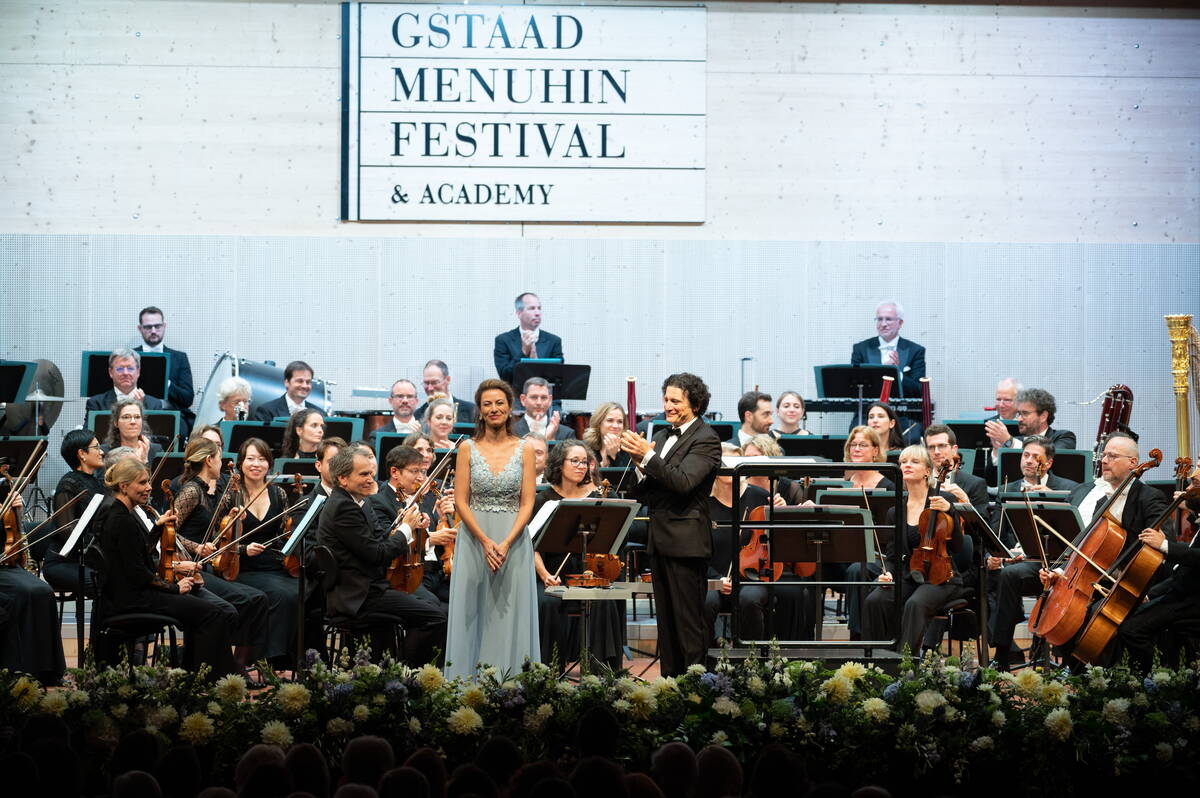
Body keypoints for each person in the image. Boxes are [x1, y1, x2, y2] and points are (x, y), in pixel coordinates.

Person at [620, 373, 722, 676]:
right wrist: (639, 464)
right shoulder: (663, 436)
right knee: (666, 626)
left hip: (686, 543)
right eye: (666, 399)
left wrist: (648, 456)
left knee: (688, 624)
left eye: (675, 400)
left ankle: (695, 687)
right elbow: (644, 492)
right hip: (660, 539)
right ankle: (669, 686)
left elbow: (683, 482)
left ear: (695, 404)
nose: (668, 406)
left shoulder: (706, 438)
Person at [97, 457, 236, 677]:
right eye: (142, 482)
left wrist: (156, 528)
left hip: (123, 595)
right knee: (213, 614)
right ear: (123, 486)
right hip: (133, 599)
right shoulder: (122, 521)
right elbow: (139, 573)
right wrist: (174, 588)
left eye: (148, 481)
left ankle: (193, 675)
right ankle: (208, 680)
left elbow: (136, 554)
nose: (149, 487)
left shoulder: (113, 512)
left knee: (207, 612)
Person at [318, 443, 448, 664]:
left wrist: (405, 526)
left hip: (373, 587)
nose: (371, 480)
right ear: (342, 479)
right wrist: (406, 528)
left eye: (371, 474)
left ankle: (398, 669)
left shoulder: (359, 501)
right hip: (359, 596)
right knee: (435, 617)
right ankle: (407, 673)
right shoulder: (342, 507)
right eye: (363, 474)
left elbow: (381, 537)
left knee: (434, 609)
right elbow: (378, 554)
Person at [446, 378, 540, 679]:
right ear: (480, 410)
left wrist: (507, 542)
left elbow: (527, 502)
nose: (494, 408)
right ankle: (466, 684)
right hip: (475, 539)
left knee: (510, 613)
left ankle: (511, 682)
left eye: (499, 403)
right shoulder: (467, 449)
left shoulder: (525, 449)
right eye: (487, 404)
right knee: (473, 613)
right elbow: (461, 501)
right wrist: (486, 542)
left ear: (510, 408)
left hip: (514, 539)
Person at [171, 437, 271, 676]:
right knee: (248, 600)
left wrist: (235, 516)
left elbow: (219, 532)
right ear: (209, 460)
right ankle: (221, 666)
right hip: (190, 568)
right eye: (219, 458)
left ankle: (237, 663)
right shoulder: (191, 491)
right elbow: (167, 531)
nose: (222, 463)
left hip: (208, 566)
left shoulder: (215, 493)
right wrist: (196, 547)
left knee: (258, 599)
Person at [862, 445, 968, 655]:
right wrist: (888, 572)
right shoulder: (895, 511)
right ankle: (877, 659)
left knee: (915, 604)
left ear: (928, 471)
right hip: (909, 575)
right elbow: (892, 556)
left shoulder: (944, 501)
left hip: (941, 578)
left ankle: (905, 663)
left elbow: (957, 546)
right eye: (903, 462)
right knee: (875, 600)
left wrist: (951, 512)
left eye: (914, 461)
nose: (907, 465)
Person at [532, 439, 623, 670]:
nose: (581, 466)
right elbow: (531, 546)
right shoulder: (543, 499)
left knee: (603, 600)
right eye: (575, 461)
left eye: (585, 462)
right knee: (546, 602)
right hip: (552, 575)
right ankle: (549, 671)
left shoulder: (600, 496)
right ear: (559, 464)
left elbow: (616, 535)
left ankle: (601, 673)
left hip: (589, 573)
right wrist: (544, 574)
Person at [230, 438, 302, 668]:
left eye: (262, 459)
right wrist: (244, 549)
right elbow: (219, 539)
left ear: (269, 464)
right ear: (241, 463)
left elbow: (283, 533)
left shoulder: (278, 493)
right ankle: (269, 660)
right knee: (283, 594)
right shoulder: (232, 494)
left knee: (302, 590)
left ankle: (291, 659)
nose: (256, 464)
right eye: (250, 458)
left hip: (273, 565)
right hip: (243, 567)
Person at [368, 445, 456, 607]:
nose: (421, 478)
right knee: (438, 610)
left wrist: (440, 518)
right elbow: (387, 545)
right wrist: (426, 538)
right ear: (395, 472)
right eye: (415, 471)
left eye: (422, 472)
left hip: (435, 573)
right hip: (406, 575)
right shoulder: (378, 502)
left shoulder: (416, 499)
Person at [703, 443, 772, 645]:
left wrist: (780, 510)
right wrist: (717, 579)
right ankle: (705, 656)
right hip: (714, 576)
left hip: (751, 577)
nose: (729, 467)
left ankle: (750, 656)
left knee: (749, 599)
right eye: (724, 462)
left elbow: (773, 540)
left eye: (734, 462)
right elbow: (698, 550)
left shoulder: (759, 496)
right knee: (706, 600)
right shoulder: (704, 504)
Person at [0, 485, 66, 683]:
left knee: (43, 590)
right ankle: (18, 671)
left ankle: (46, 671)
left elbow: (14, 536)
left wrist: (16, 512)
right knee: (22, 592)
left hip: (5, 565)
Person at [42, 429, 107, 597]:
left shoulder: (98, 484)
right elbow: (67, 531)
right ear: (82, 454)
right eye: (96, 447)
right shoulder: (68, 483)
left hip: (87, 559)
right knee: (103, 584)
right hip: (62, 563)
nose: (102, 452)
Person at [983, 388, 1077, 479]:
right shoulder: (1014, 441)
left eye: (1025, 413)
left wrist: (1009, 441)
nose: (1019, 419)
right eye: (1019, 414)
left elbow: (1053, 465)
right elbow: (991, 481)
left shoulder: (1064, 437)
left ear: (1043, 416)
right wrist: (997, 451)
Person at [134, 306, 195, 435]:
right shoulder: (129, 357)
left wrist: (166, 384)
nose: (153, 331)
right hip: (136, 413)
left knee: (180, 429)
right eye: (148, 327)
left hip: (172, 415)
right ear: (140, 328)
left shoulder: (179, 358)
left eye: (157, 326)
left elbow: (188, 399)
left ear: (164, 326)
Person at [850, 301, 926, 398]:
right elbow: (853, 388)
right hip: (870, 407)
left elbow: (919, 391)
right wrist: (881, 372)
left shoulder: (915, 350)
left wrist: (897, 373)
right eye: (879, 319)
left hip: (902, 407)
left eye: (888, 319)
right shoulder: (860, 349)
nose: (883, 324)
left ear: (900, 323)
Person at [494, 292, 564, 386]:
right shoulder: (503, 340)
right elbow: (505, 376)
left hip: (545, 393)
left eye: (539, 308)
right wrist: (523, 352)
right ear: (519, 313)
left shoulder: (554, 341)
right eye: (532, 308)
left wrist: (536, 361)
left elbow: (558, 377)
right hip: (516, 394)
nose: (537, 313)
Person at [922, 424, 989, 517]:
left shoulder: (975, 484)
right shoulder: (920, 481)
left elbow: (982, 525)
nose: (936, 452)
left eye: (942, 446)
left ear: (954, 449)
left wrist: (966, 502)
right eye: (931, 447)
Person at [86, 348, 166, 414]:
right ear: (111, 372)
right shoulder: (96, 403)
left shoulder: (155, 405)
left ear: (138, 372)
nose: (125, 373)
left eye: (130, 368)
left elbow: (156, 429)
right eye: (120, 369)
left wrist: (140, 408)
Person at [254, 361, 324, 422]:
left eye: (308, 382)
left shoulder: (320, 414)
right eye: (300, 381)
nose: (304, 386)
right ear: (287, 382)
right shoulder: (266, 411)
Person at [103, 399, 164, 464]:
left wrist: (145, 460)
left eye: (137, 417)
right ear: (116, 423)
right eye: (126, 417)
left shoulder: (156, 450)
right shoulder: (105, 451)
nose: (133, 421)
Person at [842, 426, 894, 491]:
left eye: (863, 445)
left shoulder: (889, 488)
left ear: (875, 451)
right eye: (853, 444)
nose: (856, 449)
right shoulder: (845, 485)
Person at [583, 402, 631, 468]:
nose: (615, 426)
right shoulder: (585, 449)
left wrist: (614, 457)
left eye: (620, 421)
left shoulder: (630, 451)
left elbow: (625, 474)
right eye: (610, 420)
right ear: (599, 423)